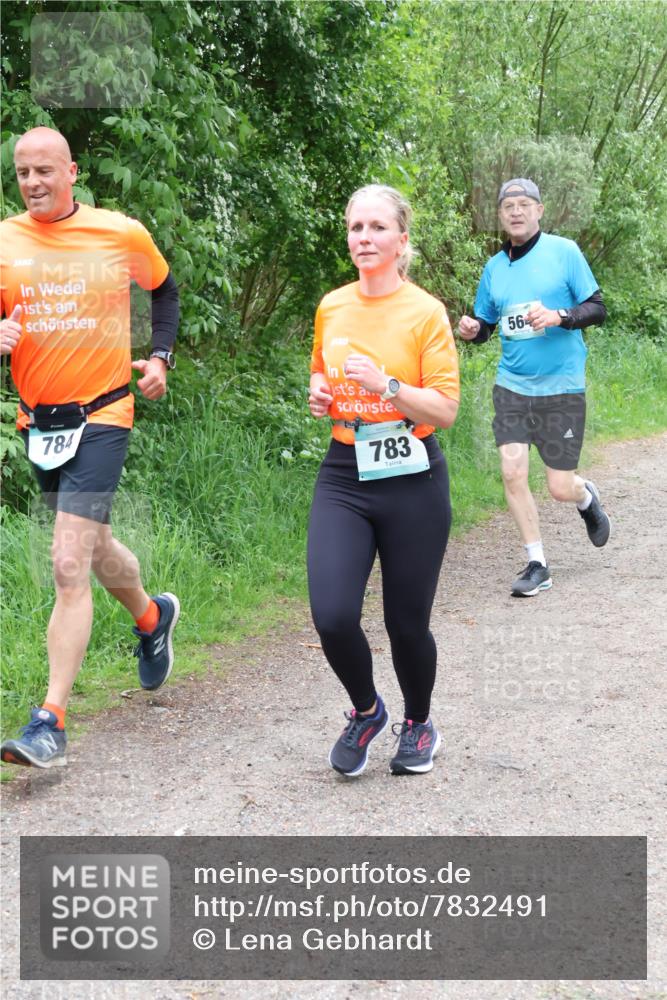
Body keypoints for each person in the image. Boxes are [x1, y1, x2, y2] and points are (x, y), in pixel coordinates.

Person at [0, 127, 180, 769]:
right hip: (38, 423)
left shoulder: (117, 232)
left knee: (68, 560)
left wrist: (160, 356)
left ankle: (49, 719)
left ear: (72, 171)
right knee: (95, 546)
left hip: (104, 412)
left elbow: (163, 288)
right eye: (23, 172)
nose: (33, 182)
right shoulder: (5, 240)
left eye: (44, 170)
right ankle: (152, 617)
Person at [308, 184, 460, 777]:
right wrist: (320, 394)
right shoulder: (332, 305)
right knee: (332, 615)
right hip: (344, 471)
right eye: (356, 228)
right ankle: (367, 710)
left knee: (405, 624)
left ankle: (419, 724)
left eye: (377, 228)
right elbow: (321, 374)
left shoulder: (425, 312)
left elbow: (444, 408)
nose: (364, 238)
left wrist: (387, 386)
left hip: (412, 474)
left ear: (402, 240)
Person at [459, 178, 610, 597]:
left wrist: (560, 316)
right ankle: (537, 563)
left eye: (524, 204)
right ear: (500, 215)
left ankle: (585, 496)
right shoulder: (494, 268)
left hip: (561, 387)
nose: (516, 211)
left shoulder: (564, 252)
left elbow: (597, 308)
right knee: (512, 472)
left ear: (539, 211)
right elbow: (486, 324)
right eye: (508, 206)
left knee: (560, 487)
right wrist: (473, 330)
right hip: (512, 387)